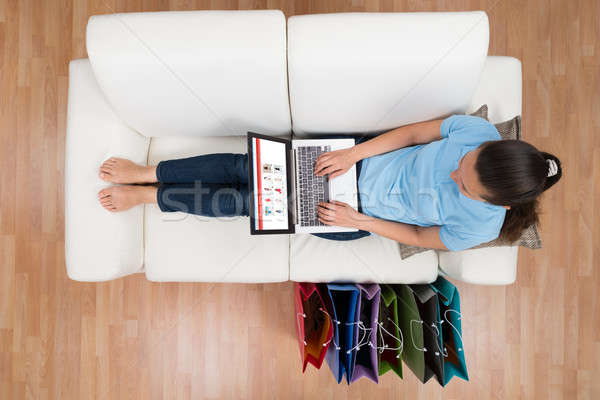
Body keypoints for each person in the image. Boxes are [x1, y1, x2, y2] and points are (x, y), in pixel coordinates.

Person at [96, 114, 562, 251]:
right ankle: (148, 173)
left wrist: (358, 219)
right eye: (465, 162)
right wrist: (353, 152)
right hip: (352, 162)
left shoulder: (480, 228)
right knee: (246, 169)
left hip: (354, 216)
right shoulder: (476, 133)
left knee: (244, 204)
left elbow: (421, 236)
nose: (454, 172)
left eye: (463, 185)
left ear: (494, 204)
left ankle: (152, 199)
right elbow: (417, 134)